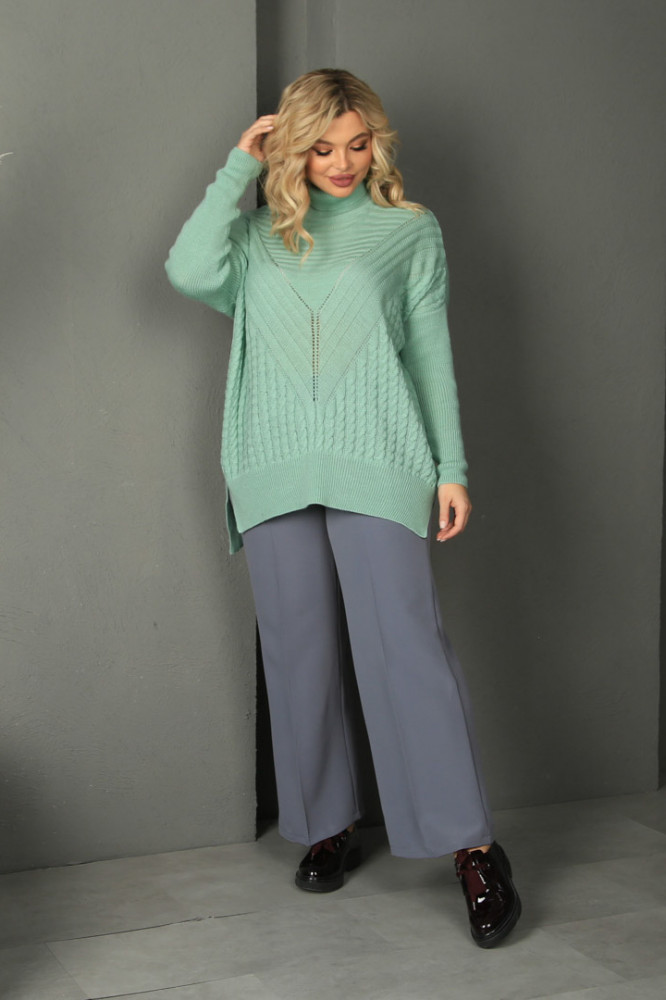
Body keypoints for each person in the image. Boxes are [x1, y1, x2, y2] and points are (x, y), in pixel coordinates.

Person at [165, 68, 521, 948]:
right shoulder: (255, 238)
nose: (342, 162)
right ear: (290, 148)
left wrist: (450, 467)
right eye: (321, 147)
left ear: (376, 144)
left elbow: (430, 353)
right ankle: (327, 823)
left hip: (381, 464)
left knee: (409, 653)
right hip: (274, 467)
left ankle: (474, 849)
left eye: (358, 144)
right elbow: (185, 270)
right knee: (299, 655)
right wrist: (236, 165)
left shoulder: (409, 231)